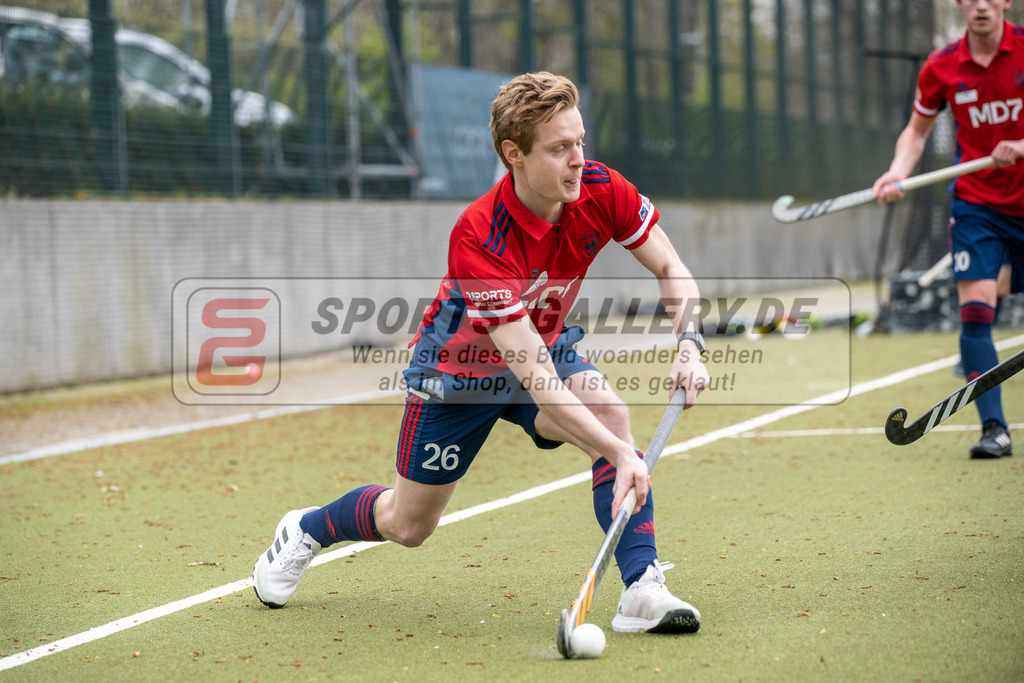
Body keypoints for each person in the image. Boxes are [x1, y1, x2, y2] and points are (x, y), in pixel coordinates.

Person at [252, 72, 711, 634]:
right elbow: (535, 378)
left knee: (608, 411)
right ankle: (310, 528)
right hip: (459, 372)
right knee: (410, 523)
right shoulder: (478, 234)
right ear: (513, 154)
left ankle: (641, 588)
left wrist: (690, 342)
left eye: (580, 142)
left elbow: (669, 267)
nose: (577, 161)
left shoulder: (600, 188)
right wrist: (619, 453)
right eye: (559, 149)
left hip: (540, 343)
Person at [873, 0, 1024, 459]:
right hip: (977, 204)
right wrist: (897, 171)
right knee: (975, 311)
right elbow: (917, 132)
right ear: (959, 4)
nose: (980, 4)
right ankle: (994, 427)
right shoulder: (941, 66)